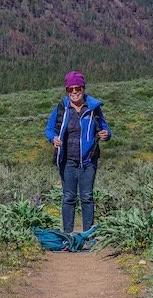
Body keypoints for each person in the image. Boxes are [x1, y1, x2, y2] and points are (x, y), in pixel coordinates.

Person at [45, 71, 111, 233]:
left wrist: (106, 134)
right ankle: (68, 235)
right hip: (67, 161)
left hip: (88, 160)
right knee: (69, 197)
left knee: (87, 197)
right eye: (70, 89)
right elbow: (49, 129)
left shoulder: (93, 108)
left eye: (78, 88)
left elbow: (105, 128)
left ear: (83, 88)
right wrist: (53, 138)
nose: (74, 92)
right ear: (67, 90)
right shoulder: (61, 108)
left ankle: (88, 235)